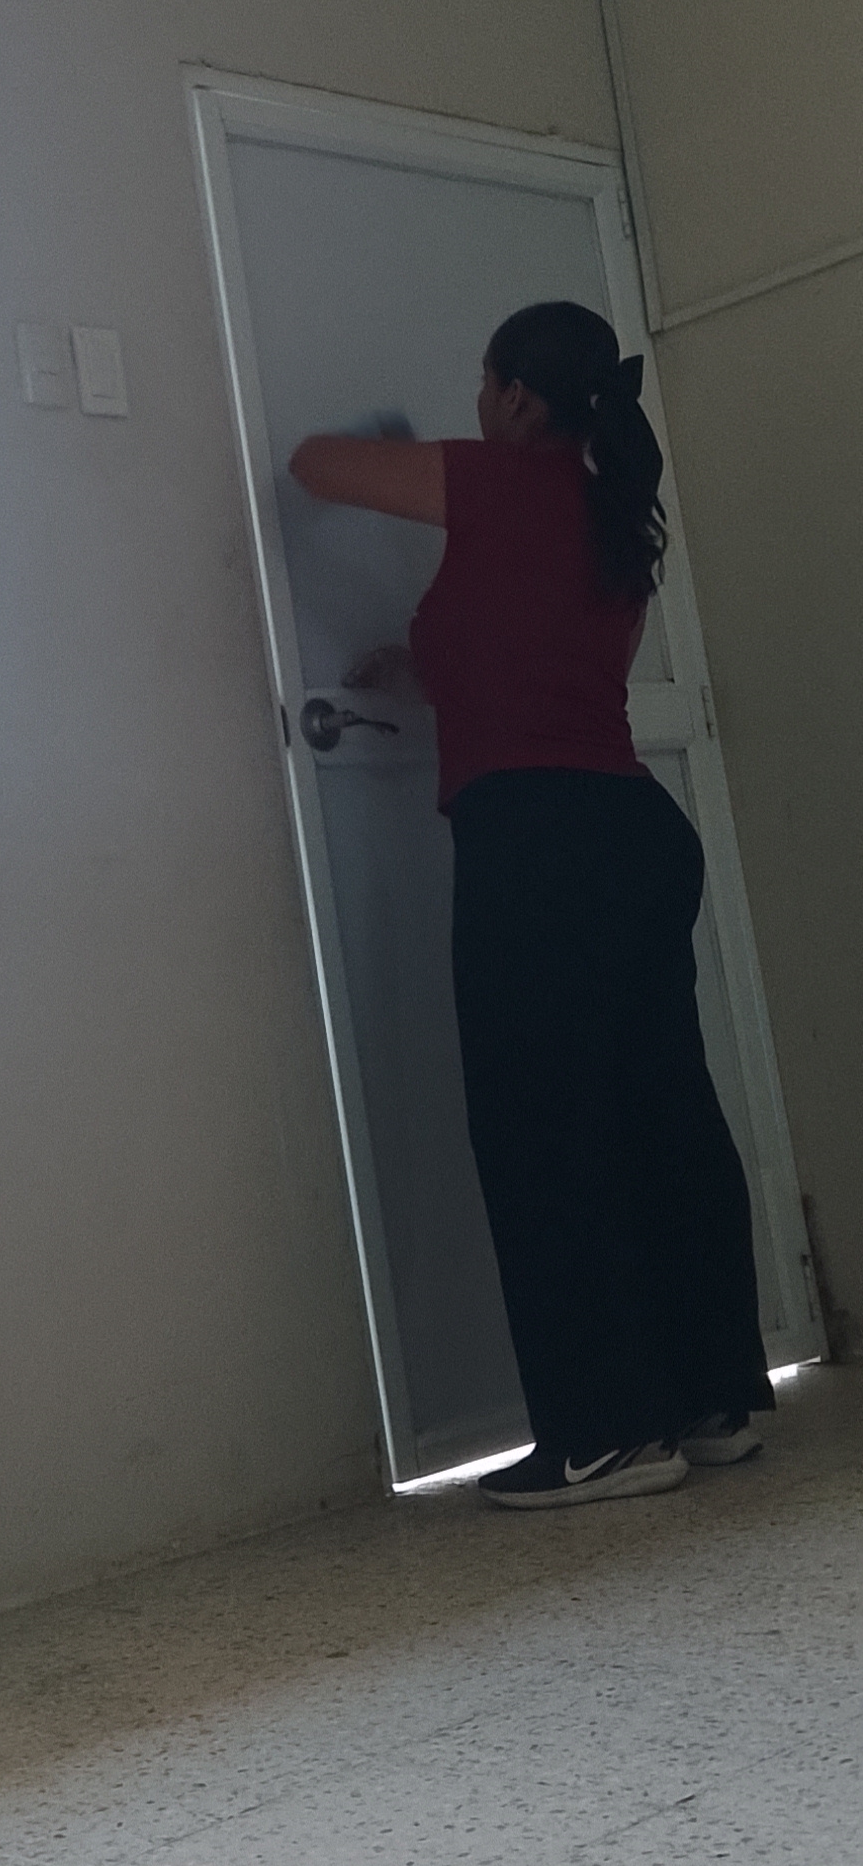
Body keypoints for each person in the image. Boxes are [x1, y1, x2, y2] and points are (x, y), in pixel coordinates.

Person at [288, 298, 773, 1510]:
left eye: (483, 380)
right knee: (662, 1114)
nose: (476, 399)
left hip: (538, 846)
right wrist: (422, 669)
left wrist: (393, 442)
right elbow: (546, 666)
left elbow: (313, 464)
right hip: (635, 837)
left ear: (514, 395)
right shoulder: (615, 518)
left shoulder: (498, 481)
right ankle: (710, 1395)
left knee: (544, 1133)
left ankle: (605, 1433)